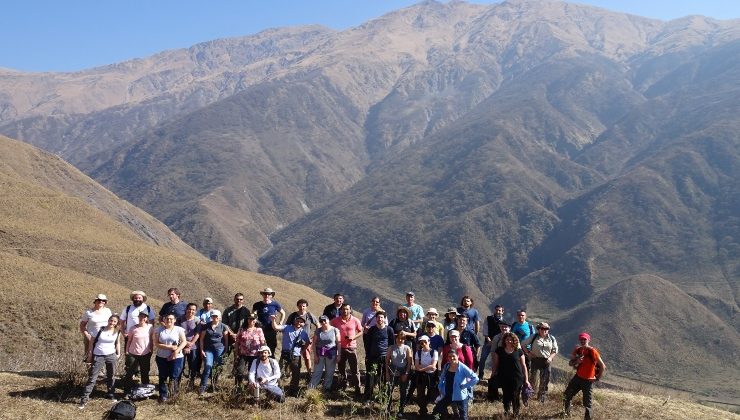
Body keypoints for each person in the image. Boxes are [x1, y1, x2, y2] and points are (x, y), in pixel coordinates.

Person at [79, 314, 121, 409]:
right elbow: (92, 343)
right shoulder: (100, 330)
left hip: (111, 355)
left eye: (114, 321)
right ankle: (84, 399)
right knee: (92, 377)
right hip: (98, 355)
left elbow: (118, 342)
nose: (112, 323)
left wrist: (118, 353)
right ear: (108, 320)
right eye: (111, 320)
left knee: (111, 376)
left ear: (116, 323)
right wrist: (90, 355)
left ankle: (110, 394)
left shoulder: (117, 332)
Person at [563, 332, 606, 419]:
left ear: (588, 340)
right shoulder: (578, 350)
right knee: (567, 395)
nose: (583, 341)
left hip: (588, 380)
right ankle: (566, 414)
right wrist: (577, 361)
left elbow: (603, 366)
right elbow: (570, 363)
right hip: (577, 377)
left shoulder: (593, 351)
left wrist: (597, 378)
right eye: (581, 339)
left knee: (587, 403)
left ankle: (587, 418)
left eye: (584, 339)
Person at [432, 351, 479, 420]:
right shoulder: (447, 366)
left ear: (458, 356)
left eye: (453, 356)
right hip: (448, 394)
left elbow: (475, 378)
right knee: (436, 410)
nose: (451, 358)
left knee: (463, 417)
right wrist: (440, 388)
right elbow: (442, 377)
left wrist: (465, 386)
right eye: (449, 356)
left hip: (460, 396)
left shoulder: (463, 368)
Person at [492, 332, 529, 417]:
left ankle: (516, 414)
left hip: (517, 378)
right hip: (504, 376)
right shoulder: (499, 350)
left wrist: (526, 379)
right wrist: (493, 375)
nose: (509, 341)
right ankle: (507, 412)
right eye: (507, 339)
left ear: (514, 341)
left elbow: (524, 366)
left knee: (515, 396)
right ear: (504, 340)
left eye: (511, 340)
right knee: (506, 395)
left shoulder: (519, 351)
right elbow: (495, 364)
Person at [272, 313, 309, 396]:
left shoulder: (303, 333)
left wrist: (302, 351)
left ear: (303, 324)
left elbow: (307, 342)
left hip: (296, 356)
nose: (299, 323)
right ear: (294, 321)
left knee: (296, 374)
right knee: (280, 372)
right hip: (285, 354)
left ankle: (293, 391)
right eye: (297, 321)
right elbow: (276, 327)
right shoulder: (287, 327)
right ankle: (280, 390)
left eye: (301, 322)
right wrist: (273, 320)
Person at [120, 290, 155, 378]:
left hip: (144, 336)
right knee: (129, 355)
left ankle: (139, 373)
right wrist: (123, 332)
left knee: (144, 355)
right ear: (133, 299)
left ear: (143, 299)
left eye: (139, 298)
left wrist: (150, 333)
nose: (137, 299)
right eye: (135, 298)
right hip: (130, 335)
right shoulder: (128, 308)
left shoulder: (148, 308)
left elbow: (152, 321)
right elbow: (122, 321)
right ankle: (130, 373)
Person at [198, 309, 234, 395]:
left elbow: (226, 339)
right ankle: (203, 386)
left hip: (219, 349)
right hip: (208, 349)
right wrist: (202, 350)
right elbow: (201, 339)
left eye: (216, 316)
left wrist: (225, 350)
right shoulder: (206, 326)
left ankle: (214, 385)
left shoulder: (223, 326)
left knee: (217, 368)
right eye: (213, 316)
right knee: (208, 366)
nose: (214, 318)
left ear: (219, 318)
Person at [363, 311, 395, 405]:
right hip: (372, 357)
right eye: (378, 317)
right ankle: (367, 398)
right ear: (376, 319)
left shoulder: (389, 330)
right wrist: (367, 356)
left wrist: (390, 357)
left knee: (384, 379)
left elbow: (391, 345)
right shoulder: (372, 330)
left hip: (384, 357)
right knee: (370, 378)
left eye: (381, 317)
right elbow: (367, 344)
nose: (380, 319)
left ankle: (383, 398)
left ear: (384, 319)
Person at [330, 303, 363, 394]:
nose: (345, 311)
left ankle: (358, 388)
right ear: (340, 310)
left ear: (350, 310)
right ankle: (343, 386)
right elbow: (328, 327)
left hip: (351, 347)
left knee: (355, 369)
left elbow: (361, 331)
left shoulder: (355, 320)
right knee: (341, 369)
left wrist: (353, 337)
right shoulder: (335, 320)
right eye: (343, 309)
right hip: (340, 348)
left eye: (347, 309)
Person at [522, 322, 558, 403]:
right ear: (539, 329)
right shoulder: (534, 337)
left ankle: (542, 396)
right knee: (533, 378)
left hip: (546, 361)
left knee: (545, 379)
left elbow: (555, 350)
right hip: (535, 360)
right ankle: (530, 394)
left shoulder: (552, 338)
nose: (544, 330)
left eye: (546, 329)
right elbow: (523, 344)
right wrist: (528, 353)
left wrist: (550, 358)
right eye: (542, 328)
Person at [154, 314, 187, 403]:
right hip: (161, 356)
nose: (169, 320)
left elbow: (184, 342)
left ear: (175, 320)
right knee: (163, 376)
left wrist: (176, 351)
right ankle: (163, 395)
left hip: (177, 357)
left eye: (171, 319)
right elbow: (156, 343)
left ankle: (173, 394)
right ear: (164, 320)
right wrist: (169, 347)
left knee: (174, 376)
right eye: (167, 318)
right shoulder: (159, 329)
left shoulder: (179, 329)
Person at [121, 312, 153, 395]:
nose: (142, 318)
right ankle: (127, 391)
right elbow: (129, 340)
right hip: (133, 353)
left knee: (145, 372)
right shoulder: (133, 328)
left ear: (146, 318)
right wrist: (126, 351)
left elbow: (151, 340)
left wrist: (151, 350)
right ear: (138, 317)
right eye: (141, 316)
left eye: (144, 317)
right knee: (130, 372)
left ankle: (145, 391)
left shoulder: (150, 327)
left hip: (145, 354)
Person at [286, 299, 320, 375]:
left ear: (306, 307)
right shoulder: (293, 315)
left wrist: (314, 336)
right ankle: (290, 374)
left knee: (307, 357)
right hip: (294, 341)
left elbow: (318, 325)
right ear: (297, 306)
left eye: (304, 306)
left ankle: (309, 373)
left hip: (306, 341)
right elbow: (287, 326)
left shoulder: (309, 315)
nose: (302, 307)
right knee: (292, 357)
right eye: (300, 306)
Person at [310, 315, 341, 391]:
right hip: (320, 354)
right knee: (317, 372)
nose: (323, 322)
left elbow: (338, 343)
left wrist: (338, 354)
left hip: (331, 354)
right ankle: (311, 389)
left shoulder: (335, 330)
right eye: (321, 321)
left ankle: (326, 388)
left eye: (325, 320)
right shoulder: (318, 331)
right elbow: (314, 344)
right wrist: (315, 356)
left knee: (329, 372)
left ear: (328, 320)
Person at [385, 332, 413, 416]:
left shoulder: (407, 348)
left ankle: (401, 410)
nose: (400, 340)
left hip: (403, 371)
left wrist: (406, 373)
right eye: (398, 338)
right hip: (393, 371)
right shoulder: (391, 348)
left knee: (403, 391)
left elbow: (409, 362)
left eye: (402, 339)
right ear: (396, 338)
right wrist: (387, 373)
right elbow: (387, 360)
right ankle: (388, 408)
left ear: (404, 340)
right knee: (389, 390)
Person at [235, 313, 265, 388]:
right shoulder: (242, 329)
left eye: (253, 319)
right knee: (240, 371)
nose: (251, 320)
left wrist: (263, 353)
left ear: (256, 320)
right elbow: (237, 341)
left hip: (255, 355)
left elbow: (262, 342)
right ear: (247, 320)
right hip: (243, 354)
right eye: (250, 319)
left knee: (251, 373)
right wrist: (236, 353)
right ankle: (238, 387)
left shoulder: (259, 330)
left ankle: (250, 387)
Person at [253, 287, 285, 356]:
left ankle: (271, 361)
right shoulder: (257, 304)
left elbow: (283, 313)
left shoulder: (275, 304)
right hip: (260, 329)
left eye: (268, 294)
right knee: (259, 346)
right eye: (265, 294)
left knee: (272, 346)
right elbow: (252, 314)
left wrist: (280, 323)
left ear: (271, 295)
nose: (266, 296)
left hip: (271, 329)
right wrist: (254, 321)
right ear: (262, 295)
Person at [488, 321, 515, 401]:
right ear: (500, 327)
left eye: (505, 327)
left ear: (509, 328)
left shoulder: (514, 337)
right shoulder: (496, 337)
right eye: (502, 327)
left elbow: (518, 350)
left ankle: (509, 397)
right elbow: (493, 351)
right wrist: (494, 364)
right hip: (499, 361)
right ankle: (493, 397)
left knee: (510, 380)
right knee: (493, 378)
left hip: (511, 362)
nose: (503, 328)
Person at [79, 293, 112, 359]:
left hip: (104, 338)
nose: (101, 301)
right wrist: (87, 335)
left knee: (103, 357)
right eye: (99, 300)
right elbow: (82, 325)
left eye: (103, 300)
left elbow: (112, 323)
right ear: (95, 301)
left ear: (105, 302)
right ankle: (89, 369)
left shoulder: (108, 311)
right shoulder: (89, 312)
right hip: (91, 338)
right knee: (89, 357)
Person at [414, 335, 439, 416]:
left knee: (432, 393)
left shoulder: (434, 352)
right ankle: (423, 410)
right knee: (420, 393)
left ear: (429, 342)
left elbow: (433, 366)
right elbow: (417, 366)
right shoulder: (418, 352)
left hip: (431, 376)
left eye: (425, 342)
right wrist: (427, 367)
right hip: (421, 376)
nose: (423, 343)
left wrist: (421, 368)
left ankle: (435, 410)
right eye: (421, 342)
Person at [479, 304, 505, 378]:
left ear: (502, 312)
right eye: (496, 310)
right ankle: (480, 374)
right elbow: (485, 329)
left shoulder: (504, 322)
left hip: (498, 344)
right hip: (488, 342)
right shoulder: (488, 318)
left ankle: (495, 376)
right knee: (483, 358)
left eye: (499, 310)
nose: (498, 312)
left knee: (497, 360)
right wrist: (488, 340)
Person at [180, 303, 201, 389]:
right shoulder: (180, 319)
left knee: (192, 365)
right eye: (189, 309)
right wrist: (185, 344)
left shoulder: (197, 320)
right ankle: (177, 383)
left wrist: (190, 344)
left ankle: (191, 382)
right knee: (180, 365)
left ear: (195, 311)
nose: (191, 311)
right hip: (181, 345)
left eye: (193, 310)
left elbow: (197, 334)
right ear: (186, 309)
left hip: (193, 347)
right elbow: (178, 332)